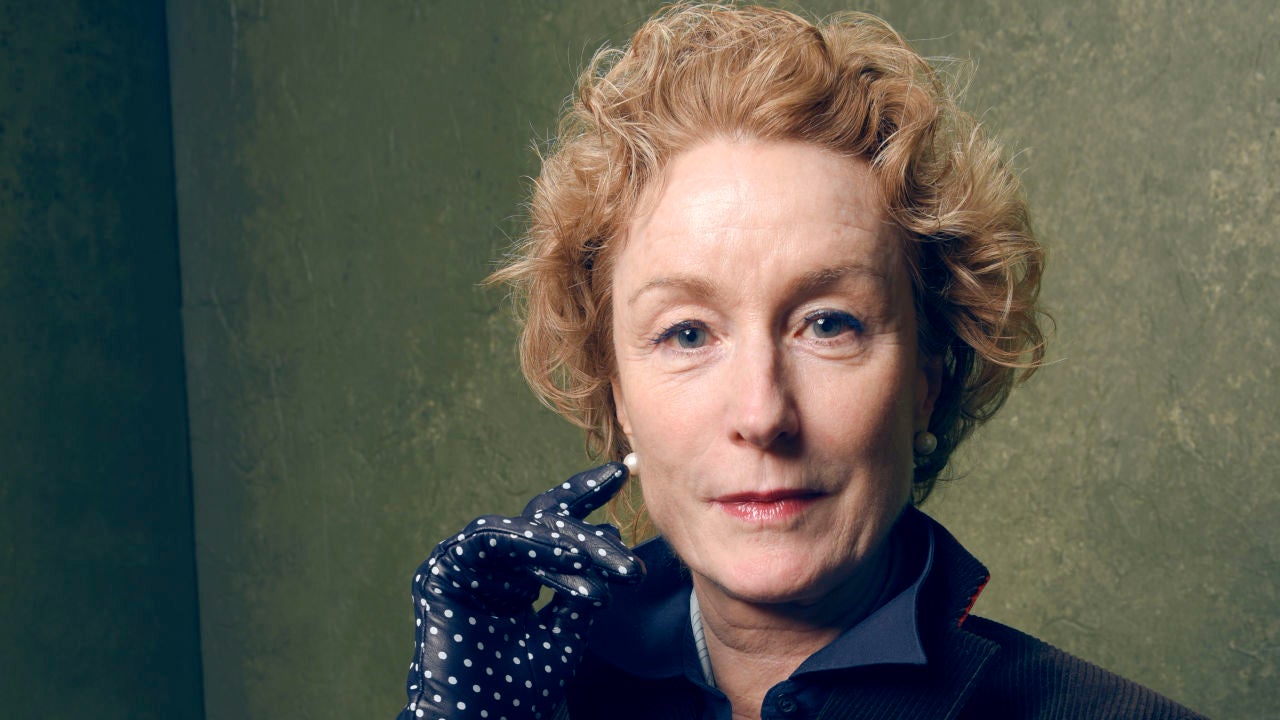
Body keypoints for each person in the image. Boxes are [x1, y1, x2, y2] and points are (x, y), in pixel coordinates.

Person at [396, 4, 1206, 719]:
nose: (762, 414)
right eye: (687, 334)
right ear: (618, 398)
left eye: (828, 325)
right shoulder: (530, 704)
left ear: (926, 382)